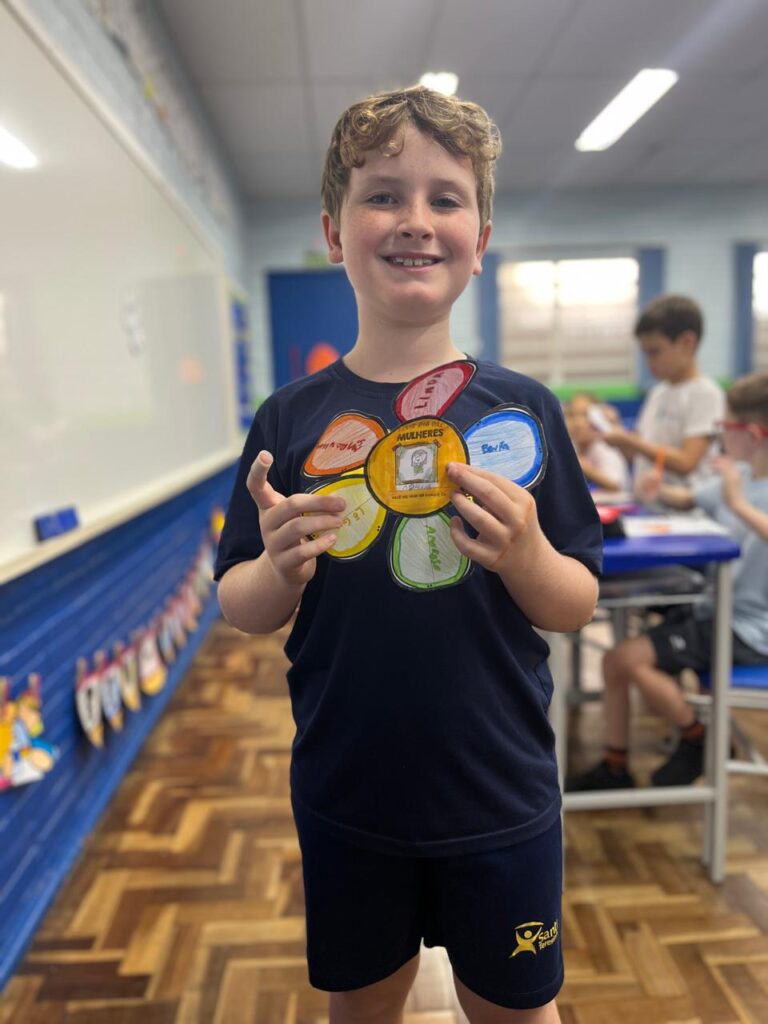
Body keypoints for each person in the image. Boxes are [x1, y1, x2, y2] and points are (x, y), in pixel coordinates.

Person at [215, 85, 602, 1024]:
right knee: (364, 1004)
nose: (416, 220)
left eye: (445, 198)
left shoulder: (523, 412)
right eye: (383, 195)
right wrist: (275, 567)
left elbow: (575, 599)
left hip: (498, 789)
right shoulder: (290, 420)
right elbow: (240, 603)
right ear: (333, 232)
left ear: (481, 237)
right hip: (348, 792)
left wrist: (526, 556)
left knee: (517, 1010)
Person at [566, 371, 768, 793]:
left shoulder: (741, 486)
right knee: (617, 662)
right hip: (717, 610)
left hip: (751, 629)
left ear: (751, 434)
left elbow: (741, 511)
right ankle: (616, 766)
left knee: (624, 660)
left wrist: (737, 504)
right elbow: (688, 498)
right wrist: (654, 490)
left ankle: (699, 738)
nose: (719, 436)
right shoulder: (739, 473)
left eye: (725, 427)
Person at [601, 294, 725, 488]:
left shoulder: (706, 393)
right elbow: (638, 454)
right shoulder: (658, 393)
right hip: (648, 501)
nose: (648, 362)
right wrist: (614, 431)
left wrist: (631, 442)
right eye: (645, 353)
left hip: (687, 504)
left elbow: (686, 462)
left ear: (687, 342)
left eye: (655, 352)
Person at [563, 393, 630, 492]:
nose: (577, 423)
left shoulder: (606, 449)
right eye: (571, 415)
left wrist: (584, 467)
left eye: (585, 415)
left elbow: (615, 485)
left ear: (600, 419)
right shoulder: (570, 448)